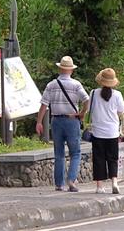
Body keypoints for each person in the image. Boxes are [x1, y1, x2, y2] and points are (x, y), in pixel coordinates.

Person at [36, 56, 90, 192]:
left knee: (59, 153)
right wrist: (82, 113)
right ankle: (71, 180)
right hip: (72, 121)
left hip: (56, 121)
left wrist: (39, 122)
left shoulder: (51, 85)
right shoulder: (76, 85)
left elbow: (44, 105)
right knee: (75, 153)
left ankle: (59, 184)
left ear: (60, 69)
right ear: (71, 70)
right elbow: (86, 99)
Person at [90, 68, 124, 194]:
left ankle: (99, 186)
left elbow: (91, 110)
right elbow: (122, 111)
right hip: (112, 132)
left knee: (99, 158)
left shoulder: (93, 93)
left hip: (98, 131)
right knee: (112, 158)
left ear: (101, 81)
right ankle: (114, 182)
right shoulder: (117, 95)